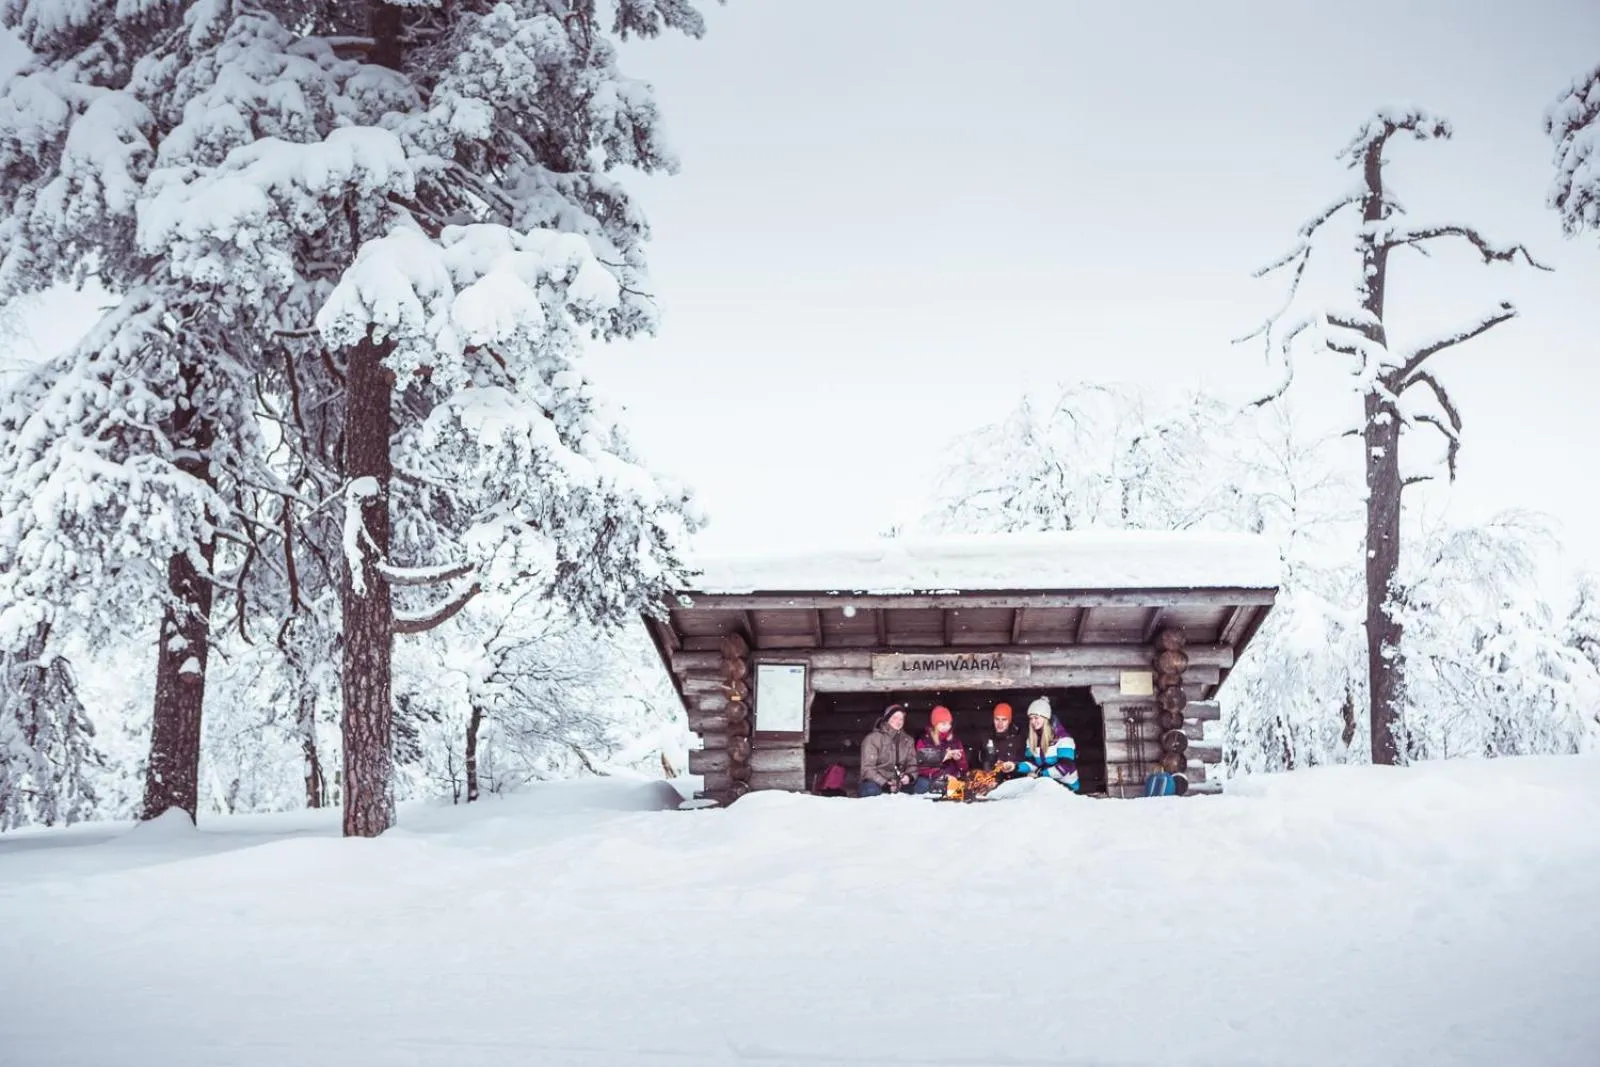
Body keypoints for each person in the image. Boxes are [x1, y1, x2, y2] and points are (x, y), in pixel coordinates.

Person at [1016, 696, 1080, 792]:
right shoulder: (1032, 740)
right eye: (1031, 718)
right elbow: (1032, 763)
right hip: (1046, 784)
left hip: (1068, 786)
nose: (1033, 721)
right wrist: (1016, 767)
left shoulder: (1064, 739)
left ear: (1045, 718)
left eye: (1036, 717)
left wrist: (1040, 775)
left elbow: (1065, 767)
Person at [859, 703, 917, 797]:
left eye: (901, 719)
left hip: (899, 783)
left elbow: (912, 765)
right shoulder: (872, 739)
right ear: (887, 718)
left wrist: (908, 777)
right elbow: (867, 769)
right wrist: (885, 783)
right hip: (875, 783)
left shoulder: (908, 740)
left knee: (920, 788)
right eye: (895, 717)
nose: (898, 721)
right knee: (871, 791)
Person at [914, 705, 969, 794]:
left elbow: (964, 768)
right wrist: (943, 758)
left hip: (953, 779)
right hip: (932, 780)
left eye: (949, 723)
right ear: (935, 723)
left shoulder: (955, 740)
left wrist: (959, 759)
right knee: (922, 784)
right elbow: (922, 767)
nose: (947, 727)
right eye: (943, 724)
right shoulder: (924, 740)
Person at [980, 701, 1025, 779]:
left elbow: (1023, 762)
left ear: (1009, 721)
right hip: (991, 780)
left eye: (1004, 720)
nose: (1000, 724)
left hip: (1013, 780)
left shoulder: (1017, 737)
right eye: (997, 719)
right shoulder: (987, 736)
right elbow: (981, 761)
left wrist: (1013, 765)